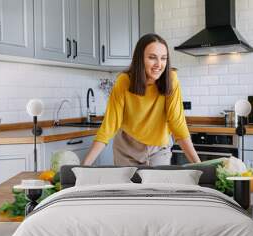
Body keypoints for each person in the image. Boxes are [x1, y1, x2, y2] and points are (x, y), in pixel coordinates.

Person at [82, 33, 200, 166]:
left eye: (163, 58)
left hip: (159, 150)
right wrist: (84, 165)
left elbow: (177, 124)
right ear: (140, 59)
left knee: (158, 187)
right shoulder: (124, 81)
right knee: (128, 187)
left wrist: (198, 164)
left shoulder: (171, 79)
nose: (159, 64)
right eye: (152, 58)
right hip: (127, 149)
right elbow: (109, 125)